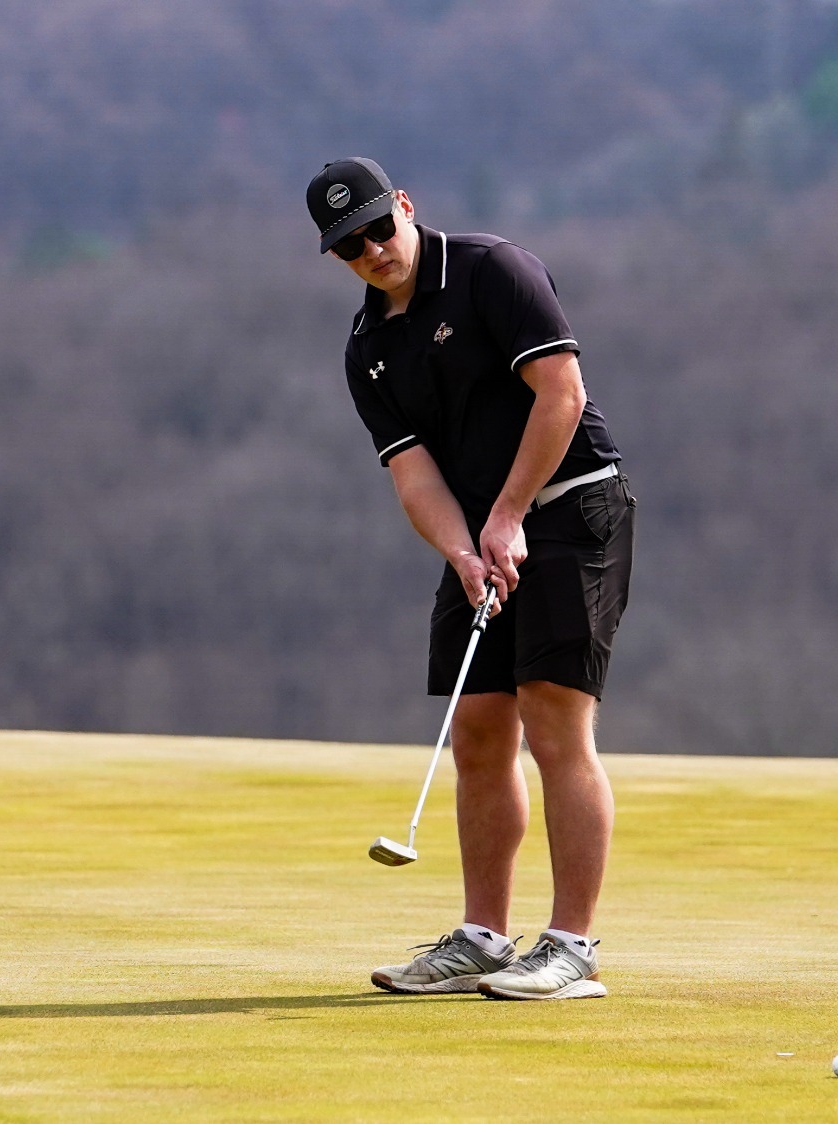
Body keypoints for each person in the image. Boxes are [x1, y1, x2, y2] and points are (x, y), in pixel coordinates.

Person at [307, 158, 636, 1001]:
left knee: (554, 720)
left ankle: (571, 947)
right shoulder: (368, 347)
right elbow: (413, 473)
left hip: (570, 507)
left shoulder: (494, 271)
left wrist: (509, 514)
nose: (374, 249)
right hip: (485, 531)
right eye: (351, 244)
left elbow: (560, 395)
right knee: (479, 731)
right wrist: (463, 551)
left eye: (381, 226)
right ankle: (485, 939)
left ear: (406, 208)